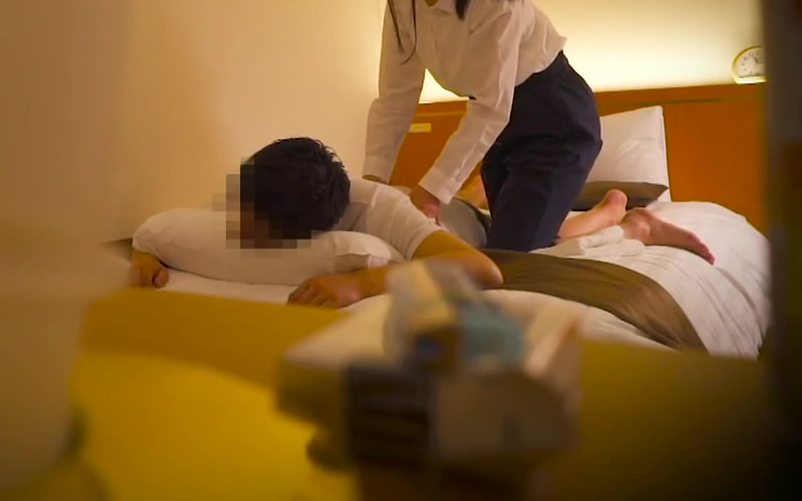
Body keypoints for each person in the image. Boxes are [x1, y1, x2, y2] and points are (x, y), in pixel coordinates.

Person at [129, 138, 714, 309]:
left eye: (258, 231)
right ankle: (480, 191)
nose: (240, 229)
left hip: (464, 229)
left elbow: (481, 272)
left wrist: (361, 283)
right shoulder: (266, 188)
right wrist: (148, 252)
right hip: (436, 207)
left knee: (537, 242)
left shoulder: (381, 210)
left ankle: (624, 218)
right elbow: (180, 228)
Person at [363, 0, 602, 253]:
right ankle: (620, 220)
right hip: (498, 125)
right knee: (509, 235)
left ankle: (629, 225)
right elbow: (395, 97)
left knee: (509, 256)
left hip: (552, 120)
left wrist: (431, 192)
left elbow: (492, 107)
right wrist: (371, 184)